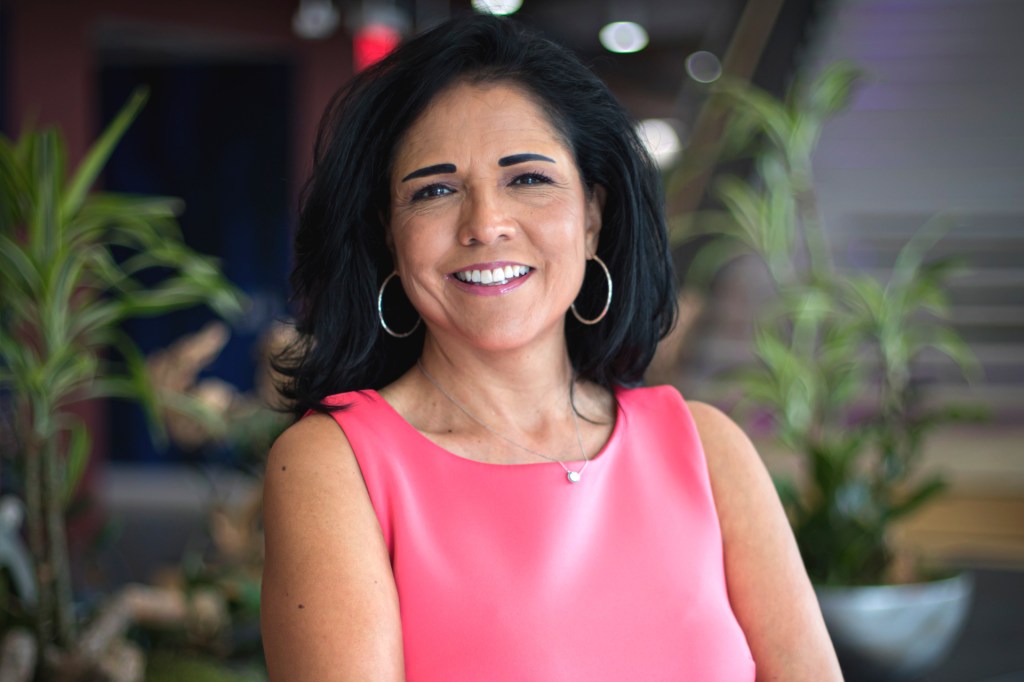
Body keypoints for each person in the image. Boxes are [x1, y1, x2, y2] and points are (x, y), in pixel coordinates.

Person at [260, 13, 841, 681]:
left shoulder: (709, 450)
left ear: (592, 215)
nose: (486, 224)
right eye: (436, 190)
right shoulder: (337, 466)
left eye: (528, 179)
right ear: (389, 236)